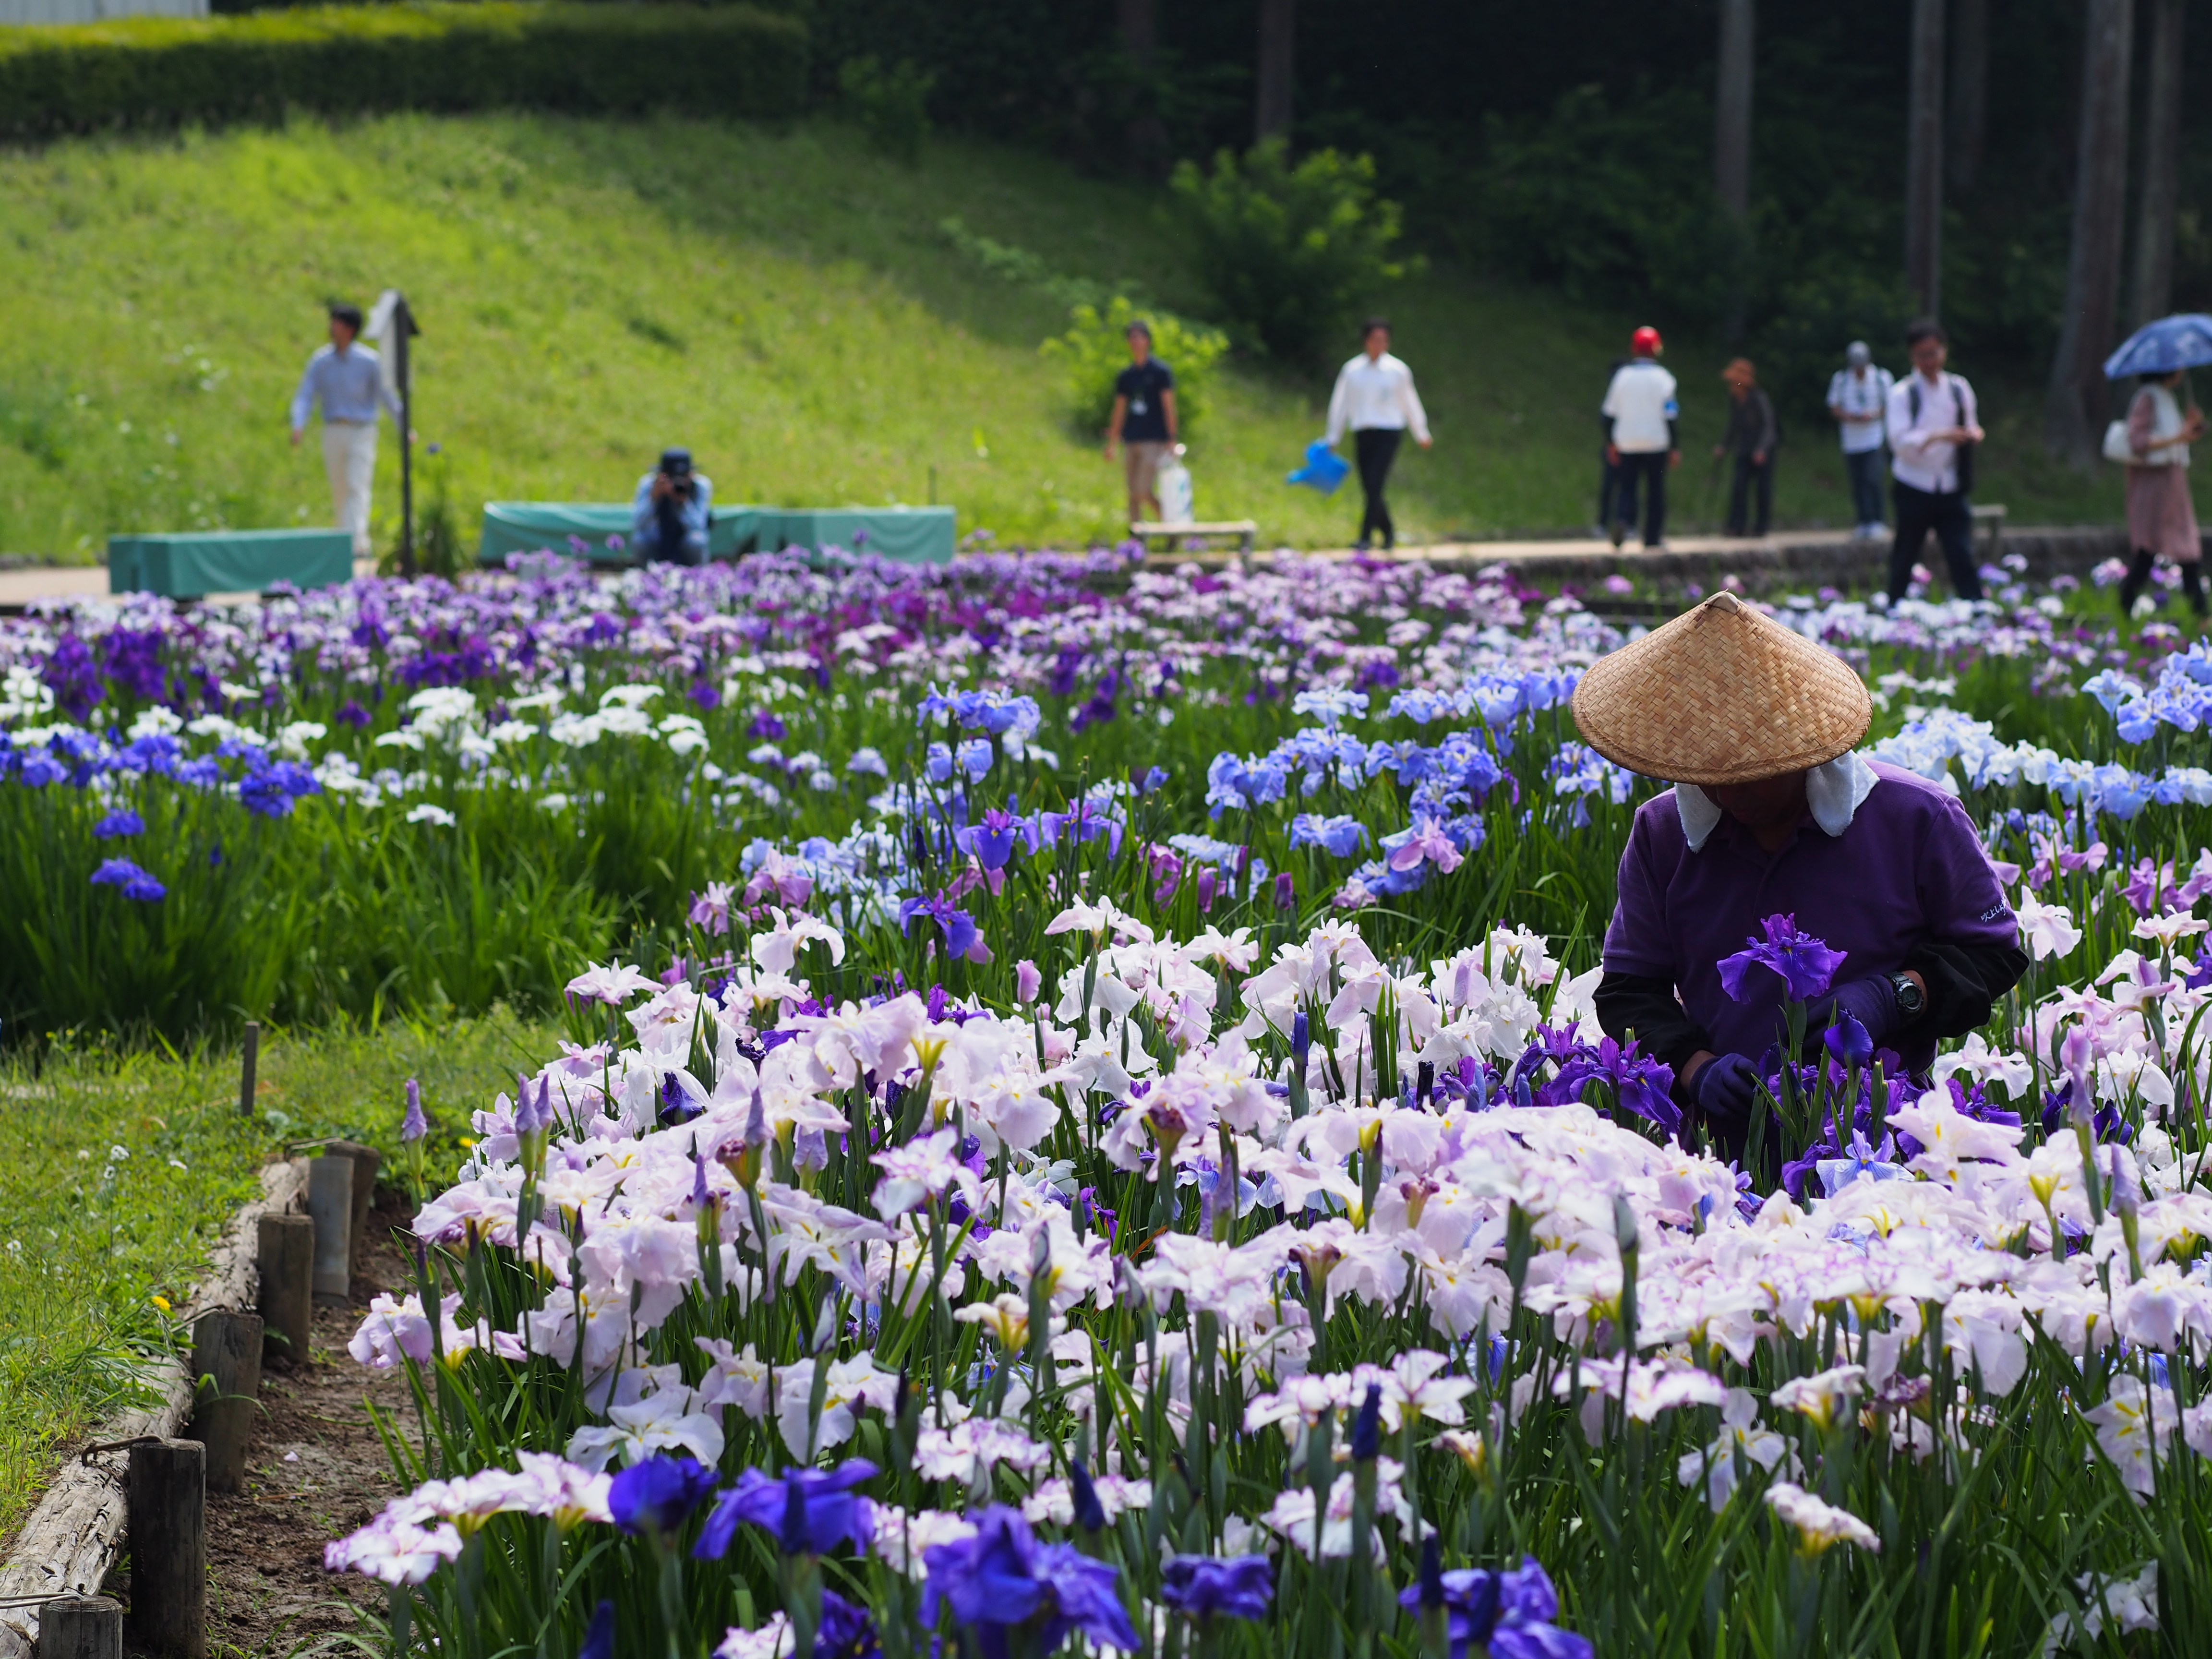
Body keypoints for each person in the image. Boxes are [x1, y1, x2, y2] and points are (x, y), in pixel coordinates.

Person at [1575, 591, 2028, 1152]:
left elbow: (1993, 954)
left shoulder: (1916, 817)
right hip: (1723, 1151)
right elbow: (1629, 990)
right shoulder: (1664, 832)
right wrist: (1696, 1070)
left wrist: (1893, 998)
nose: (1724, 790)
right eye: (1705, 769)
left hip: (1883, 1139)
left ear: (1805, 747)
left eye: (1751, 771)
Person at [289, 302, 404, 560]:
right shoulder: (321, 362)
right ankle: (347, 542)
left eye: (337, 323)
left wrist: (404, 427)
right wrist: (299, 423)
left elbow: (387, 396)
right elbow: (306, 395)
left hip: (362, 431)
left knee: (356, 486)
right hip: (333, 430)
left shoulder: (369, 362)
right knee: (340, 488)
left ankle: (356, 546)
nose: (332, 327)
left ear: (350, 329)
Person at [1885, 319, 1986, 603]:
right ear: (1912, 356)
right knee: (1906, 550)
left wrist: (1972, 435)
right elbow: (1900, 443)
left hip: (1951, 482)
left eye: (1934, 352)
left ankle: (1976, 606)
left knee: (1961, 550)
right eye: (1922, 355)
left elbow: (1972, 424)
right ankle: (1895, 603)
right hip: (1914, 482)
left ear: (1944, 351)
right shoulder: (1903, 393)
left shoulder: (1958, 388)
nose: (1930, 360)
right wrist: (1940, 436)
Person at [1325, 318, 1431, 551]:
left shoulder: (1398, 371)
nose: (1379, 344)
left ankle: (1365, 537)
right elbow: (1340, 405)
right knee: (1370, 487)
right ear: (1366, 341)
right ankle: (1389, 531)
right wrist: (1333, 436)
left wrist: (1421, 432)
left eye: (1383, 340)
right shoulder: (1352, 370)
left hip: (1389, 432)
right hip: (1363, 431)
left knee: (1375, 483)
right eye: (1375, 339)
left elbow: (1409, 402)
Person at [2116, 368, 2208, 616]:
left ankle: (2200, 613)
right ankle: (2126, 607)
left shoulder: (2166, 398)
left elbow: (2174, 439)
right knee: (2150, 549)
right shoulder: (2147, 398)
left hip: (2172, 483)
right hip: (2154, 487)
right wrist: (2180, 435)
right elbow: (2138, 441)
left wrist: (2191, 427)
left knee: (2184, 548)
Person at [1601, 326, 1680, 549]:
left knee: (1627, 487)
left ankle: (1623, 520)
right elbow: (1671, 415)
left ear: (1634, 348)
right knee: (1656, 489)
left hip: (1627, 442)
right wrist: (1675, 446)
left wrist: (1611, 442)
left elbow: (1609, 414)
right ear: (1657, 350)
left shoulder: (1622, 377)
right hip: (1657, 443)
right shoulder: (1664, 379)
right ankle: (1653, 538)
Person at [1105, 321, 1179, 523]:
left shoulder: (1161, 373)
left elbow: (1169, 407)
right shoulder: (1127, 376)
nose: (1135, 342)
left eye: (1139, 337)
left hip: (1153, 439)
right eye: (1132, 338)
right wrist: (1112, 442)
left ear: (1148, 341)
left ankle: (1171, 524)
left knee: (1143, 490)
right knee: (1132, 495)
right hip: (1132, 437)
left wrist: (1172, 438)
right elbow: (1119, 410)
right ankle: (1135, 540)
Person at [1826, 341, 1894, 539]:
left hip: (1875, 438)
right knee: (1857, 482)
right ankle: (1863, 522)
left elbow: (1890, 405)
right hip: (1851, 440)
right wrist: (1847, 416)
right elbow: (1834, 406)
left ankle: (1878, 521)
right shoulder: (1841, 380)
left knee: (1873, 478)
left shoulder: (1882, 378)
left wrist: (1872, 415)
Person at [1714, 357, 1778, 538]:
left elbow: (1769, 427)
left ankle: (1761, 526)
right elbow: (1733, 425)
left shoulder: (1759, 399)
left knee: (1763, 489)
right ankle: (1737, 525)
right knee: (1739, 487)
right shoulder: (1735, 400)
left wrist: (1762, 449)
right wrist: (1724, 446)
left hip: (1762, 451)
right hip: (1744, 448)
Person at [631, 448, 712, 566]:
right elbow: (637, 523)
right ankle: (645, 577)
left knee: (697, 540)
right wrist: (654, 499)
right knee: (639, 540)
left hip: (685, 543)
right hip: (657, 540)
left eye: (683, 476)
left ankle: (699, 576)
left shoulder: (700, 486)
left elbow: (699, 526)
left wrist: (683, 503)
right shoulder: (649, 485)